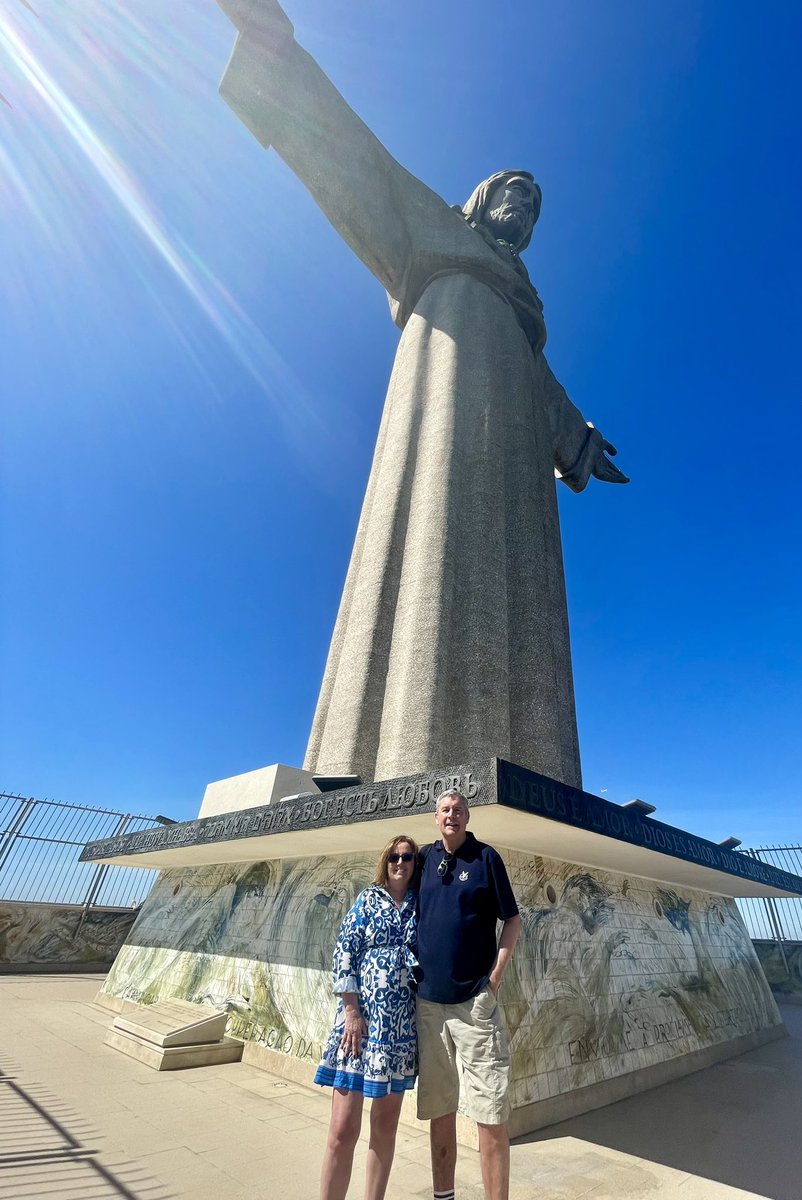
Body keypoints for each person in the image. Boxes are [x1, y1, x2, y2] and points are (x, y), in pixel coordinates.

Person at [215, 0, 628, 791]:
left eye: (536, 206)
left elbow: (543, 387)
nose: (527, 208)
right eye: (515, 192)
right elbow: (353, 156)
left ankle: (536, 771)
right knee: (425, 533)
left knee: (518, 580)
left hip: (511, 445)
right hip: (439, 399)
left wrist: (576, 438)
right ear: (479, 199)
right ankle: (370, 765)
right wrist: (276, 53)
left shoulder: (520, 309)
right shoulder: (431, 231)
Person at [416, 791, 522, 1200]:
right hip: (428, 1006)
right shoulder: (423, 859)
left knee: (490, 1114)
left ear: (467, 816)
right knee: (439, 1110)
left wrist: (493, 980)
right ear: (435, 817)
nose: (452, 816)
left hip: (474, 1008)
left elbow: (512, 919)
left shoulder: (485, 858)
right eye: (445, 811)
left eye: (458, 811)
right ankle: (445, 1195)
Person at [314, 835, 419, 1200]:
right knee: (343, 1128)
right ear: (385, 860)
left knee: (385, 1127)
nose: (400, 862)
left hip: (400, 1031)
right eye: (394, 856)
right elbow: (344, 953)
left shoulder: (420, 904)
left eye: (407, 857)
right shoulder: (367, 899)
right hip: (359, 1027)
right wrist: (351, 1011)